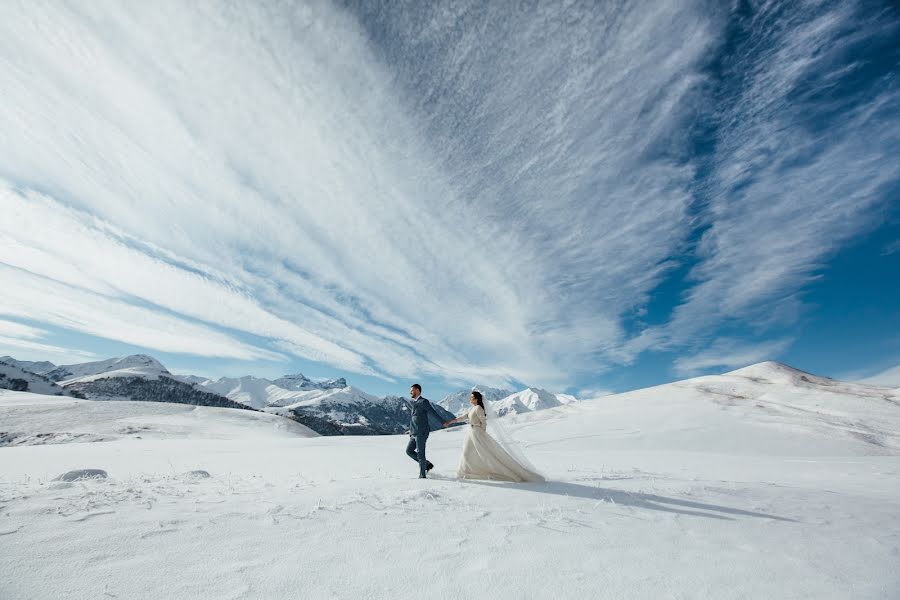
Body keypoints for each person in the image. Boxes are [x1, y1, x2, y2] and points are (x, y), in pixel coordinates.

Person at [443, 391, 544, 483]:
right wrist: (451, 421)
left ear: (477, 399)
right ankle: (466, 471)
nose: (470, 399)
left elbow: (483, 421)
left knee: (483, 454)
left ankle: (471, 471)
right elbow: (463, 417)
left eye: (472, 397)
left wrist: (482, 433)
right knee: (468, 453)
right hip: (472, 433)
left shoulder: (478, 408)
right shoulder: (472, 408)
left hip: (477, 433)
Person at [405, 383, 444, 479]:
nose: (410, 392)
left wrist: (443, 422)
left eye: (412, 390)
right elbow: (414, 419)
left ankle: (422, 476)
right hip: (414, 433)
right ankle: (426, 465)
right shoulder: (415, 403)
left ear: (418, 390)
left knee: (420, 453)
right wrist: (411, 431)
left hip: (421, 432)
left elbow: (433, 412)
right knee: (409, 451)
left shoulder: (423, 402)